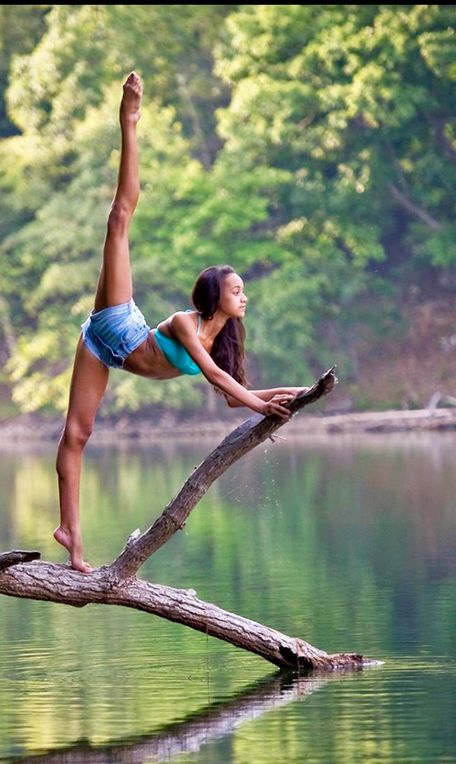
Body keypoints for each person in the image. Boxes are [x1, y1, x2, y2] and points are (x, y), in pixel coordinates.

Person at [54, 73, 307, 574]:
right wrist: (264, 404)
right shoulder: (187, 324)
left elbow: (234, 395)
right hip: (117, 324)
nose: (244, 297)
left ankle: (72, 539)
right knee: (120, 218)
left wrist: (287, 396)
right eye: (237, 291)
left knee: (80, 436)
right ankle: (128, 120)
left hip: (103, 350)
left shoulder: (223, 337)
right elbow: (216, 379)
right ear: (215, 295)